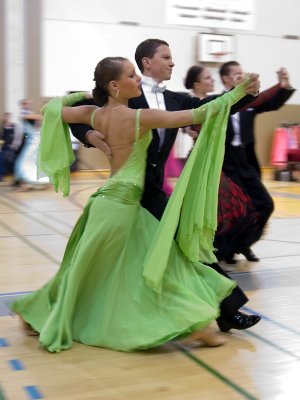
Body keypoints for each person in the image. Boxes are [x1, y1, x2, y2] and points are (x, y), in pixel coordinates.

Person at [11, 57, 254, 353]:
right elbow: (200, 113)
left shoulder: (95, 114)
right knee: (153, 268)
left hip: (112, 204)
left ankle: (199, 326)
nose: (137, 79)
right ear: (114, 85)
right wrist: (238, 92)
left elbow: (51, 110)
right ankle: (198, 326)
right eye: (131, 75)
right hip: (121, 207)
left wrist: (87, 96)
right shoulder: (139, 118)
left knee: (92, 272)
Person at [70, 39, 261, 333]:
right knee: (182, 247)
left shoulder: (174, 99)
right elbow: (78, 105)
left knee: (172, 249)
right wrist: (87, 134)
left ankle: (221, 311)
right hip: (130, 190)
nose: (172, 63)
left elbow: (209, 108)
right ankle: (226, 310)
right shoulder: (125, 91)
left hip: (152, 188)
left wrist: (243, 94)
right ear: (147, 62)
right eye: (166, 57)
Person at [178, 64, 257, 263]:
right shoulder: (191, 103)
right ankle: (209, 252)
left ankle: (223, 249)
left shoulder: (213, 102)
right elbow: (187, 122)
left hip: (215, 162)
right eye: (207, 77)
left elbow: (223, 104)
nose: (212, 80)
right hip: (199, 162)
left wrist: (242, 90)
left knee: (234, 208)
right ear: (197, 84)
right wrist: (188, 129)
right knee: (216, 209)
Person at [219, 61, 295, 263]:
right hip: (226, 164)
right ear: (226, 78)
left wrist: (283, 84)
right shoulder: (218, 101)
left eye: (242, 72)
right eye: (236, 74)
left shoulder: (248, 102)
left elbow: (271, 101)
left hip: (245, 162)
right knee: (236, 210)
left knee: (265, 204)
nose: (242, 76)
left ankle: (244, 243)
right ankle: (227, 250)